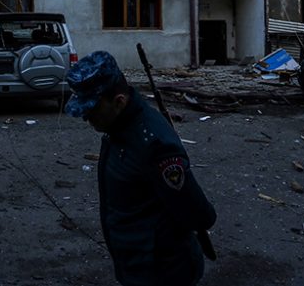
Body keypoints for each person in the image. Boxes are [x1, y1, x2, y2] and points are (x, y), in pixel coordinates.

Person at [65, 50, 217, 286]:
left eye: (92, 109)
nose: (86, 117)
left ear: (119, 101)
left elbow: (197, 212)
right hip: (137, 264)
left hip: (163, 271)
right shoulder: (119, 127)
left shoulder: (154, 144)